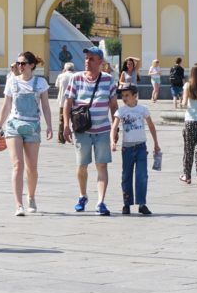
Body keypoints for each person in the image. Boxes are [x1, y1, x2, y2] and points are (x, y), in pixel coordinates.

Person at [0, 51, 54, 216]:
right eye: (18, 63)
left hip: (33, 126)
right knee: (17, 165)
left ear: (32, 65)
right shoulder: (12, 82)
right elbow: (6, 106)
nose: (19, 66)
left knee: (32, 168)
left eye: (23, 63)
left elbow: (46, 107)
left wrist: (49, 125)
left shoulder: (40, 83)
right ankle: (18, 204)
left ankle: (31, 196)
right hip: (13, 125)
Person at [62, 46, 118, 216]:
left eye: (92, 58)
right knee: (82, 166)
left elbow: (114, 106)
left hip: (102, 130)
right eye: (86, 58)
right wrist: (66, 124)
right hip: (82, 130)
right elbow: (68, 103)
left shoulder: (108, 80)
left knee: (102, 165)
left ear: (101, 61)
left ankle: (101, 202)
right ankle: (82, 195)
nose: (87, 61)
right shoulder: (76, 78)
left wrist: (115, 129)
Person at [111, 83, 160, 215]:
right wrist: (113, 141)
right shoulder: (121, 111)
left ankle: (142, 204)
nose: (124, 98)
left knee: (142, 175)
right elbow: (114, 127)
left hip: (141, 148)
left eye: (127, 95)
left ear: (135, 96)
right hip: (127, 148)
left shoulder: (142, 109)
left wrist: (156, 143)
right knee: (126, 176)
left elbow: (151, 127)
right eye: (122, 96)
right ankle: (126, 204)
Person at [54, 62, 76, 144]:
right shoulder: (75, 76)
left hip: (63, 102)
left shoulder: (60, 76)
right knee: (74, 120)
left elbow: (57, 86)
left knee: (62, 120)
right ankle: (74, 139)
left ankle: (61, 138)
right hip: (74, 102)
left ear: (65, 68)